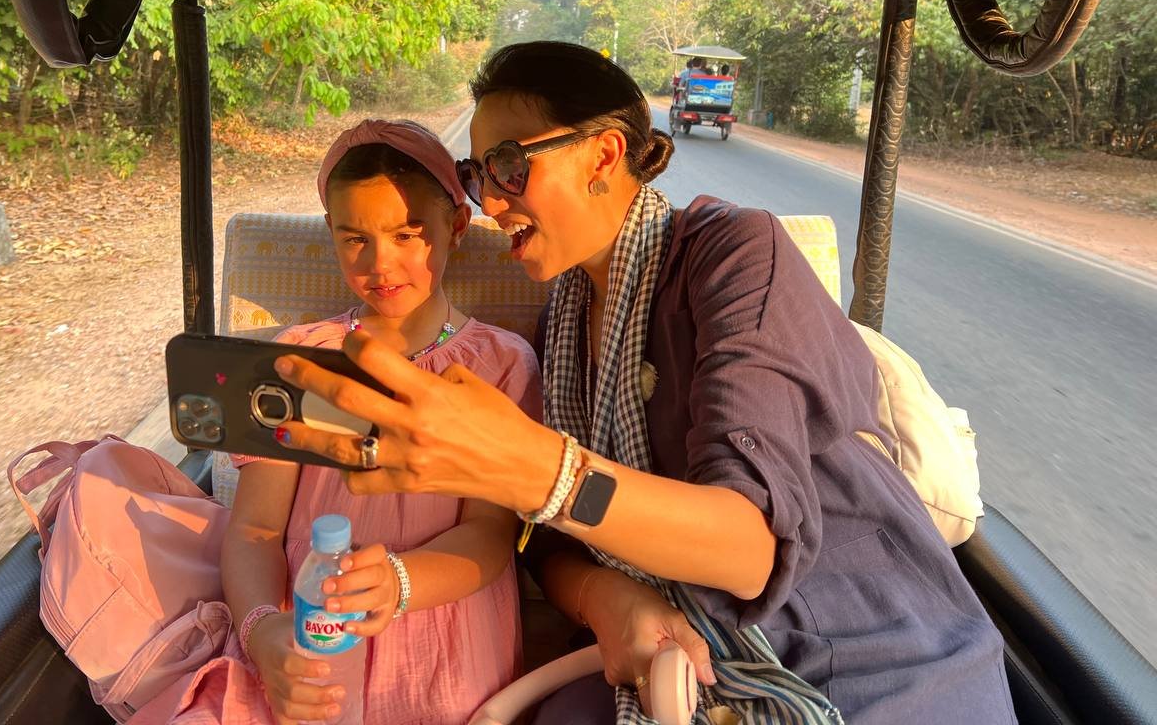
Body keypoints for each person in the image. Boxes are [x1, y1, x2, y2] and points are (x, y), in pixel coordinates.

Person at [269, 43, 1016, 725]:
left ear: (603, 154)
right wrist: (603, 594)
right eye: (475, 178)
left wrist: (535, 468)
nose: (490, 202)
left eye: (507, 165)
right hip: (664, 656)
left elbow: (748, 549)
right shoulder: (558, 327)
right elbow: (546, 543)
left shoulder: (733, 256)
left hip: (864, 653)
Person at [150, 120, 543, 725]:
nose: (380, 264)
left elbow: (491, 535)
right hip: (311, 639)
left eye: (409, 234)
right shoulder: (300, 358)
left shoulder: (500, 365)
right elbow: (255, 528)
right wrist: (261, 633)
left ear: (457, 228)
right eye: (355, 238)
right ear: (331, 233)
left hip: (445, 647)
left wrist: (400, 581)